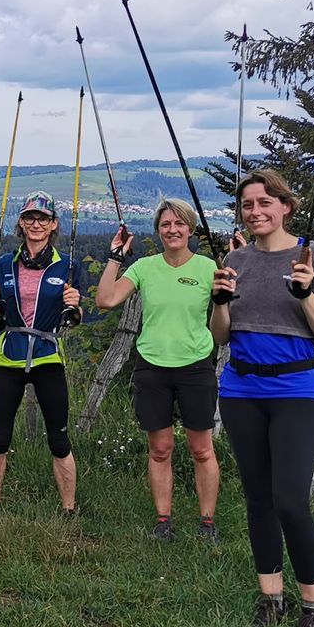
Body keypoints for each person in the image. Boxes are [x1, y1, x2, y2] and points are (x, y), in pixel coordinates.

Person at [212, 169, 314, 627]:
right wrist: (220, 301)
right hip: (242, 389)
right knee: (258, 499)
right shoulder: (235, 258)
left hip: (297, 390)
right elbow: (220, 335)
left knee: (291, 499)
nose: (256, 212)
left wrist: (305, 294)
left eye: (265, 202)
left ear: (286, 205)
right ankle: (271, 597)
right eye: (247, 205)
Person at [96, 198, 221, 541]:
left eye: (179, 223)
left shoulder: (209, 268)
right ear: (158, 231)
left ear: (191, 229)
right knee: (160, 448)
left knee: (202, 449)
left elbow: (228, 315)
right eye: (166, 224)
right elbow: (106, 299)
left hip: (196, 367)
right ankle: (163, 522)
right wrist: (115, 257)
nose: (172, 230)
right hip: (152, 367)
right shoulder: (145, 268)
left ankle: (207, 523)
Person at [0, 191, 82, 515]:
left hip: (48, 357)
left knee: (59, 438)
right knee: (0, 436)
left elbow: (74, 320)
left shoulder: (68, 265)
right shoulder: (5, 263)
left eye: (43, 219)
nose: (36, 224)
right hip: (10, 355)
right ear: (21, 223)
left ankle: (68, 509)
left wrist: (74, 305)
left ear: (53, 225)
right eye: (30, 218)